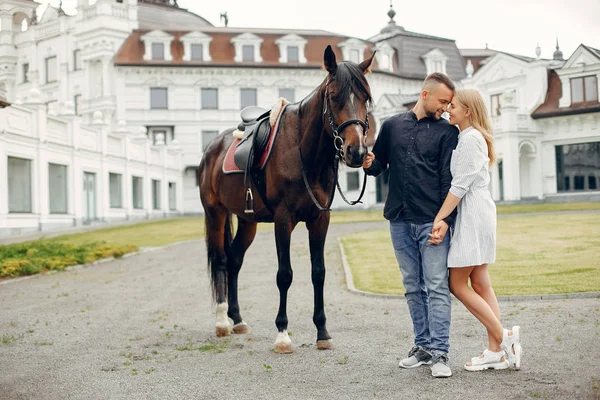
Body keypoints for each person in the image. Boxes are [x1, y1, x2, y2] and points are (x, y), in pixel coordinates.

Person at [363, 73, 458, 378]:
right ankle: (423, 348)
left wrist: (445, 220)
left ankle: (441, 353)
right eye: (443, 101)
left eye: (449, 103)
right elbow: (379, 166)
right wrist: (367, 163)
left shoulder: (447, 133)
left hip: (432, 221)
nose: (446, 107)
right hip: (399, 221)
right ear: (425, 94)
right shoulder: (391, 125)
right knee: (412, 287)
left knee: (436, 286)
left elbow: (448, 180)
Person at [428, 88, 522, 371]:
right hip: (477, 210)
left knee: (456, 284)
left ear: (468, 111)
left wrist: (439, 217)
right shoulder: (468, 137)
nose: (448, 109)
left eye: (453, 105)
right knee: (480, 282)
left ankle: (503, 336)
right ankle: (496, 351)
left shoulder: (470, 139)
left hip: (473, 212)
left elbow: (459, 187)